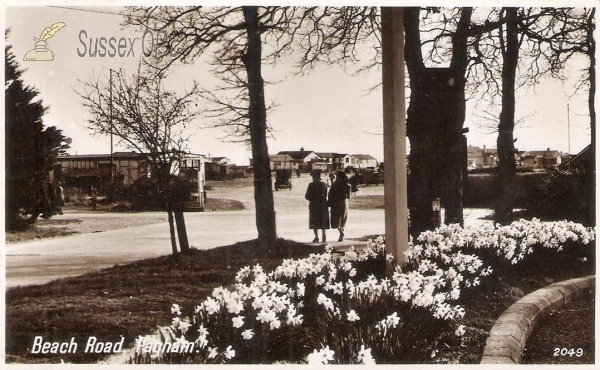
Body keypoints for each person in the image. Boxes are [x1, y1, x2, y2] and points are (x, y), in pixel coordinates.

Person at [305, 170, 330, 242]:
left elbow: (307, 196)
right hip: (323, 205)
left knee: (314, 221)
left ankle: (316, 237)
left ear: (315, 177)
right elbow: (326, 195)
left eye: (313, 176)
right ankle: (323, 234)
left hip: (314, 206)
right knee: (323, 220)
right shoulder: (324, 184)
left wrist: (313, 199)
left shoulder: (311, 185)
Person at [328, 170, 352, 242]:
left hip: (335, 203)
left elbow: (330, 195)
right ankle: (342, 233)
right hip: (344, 202)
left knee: (336, 219)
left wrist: (329, 203)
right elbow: (348, 196)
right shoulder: (348, 185)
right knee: (343, 219)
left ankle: (341, 233)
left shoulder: (334, 184)